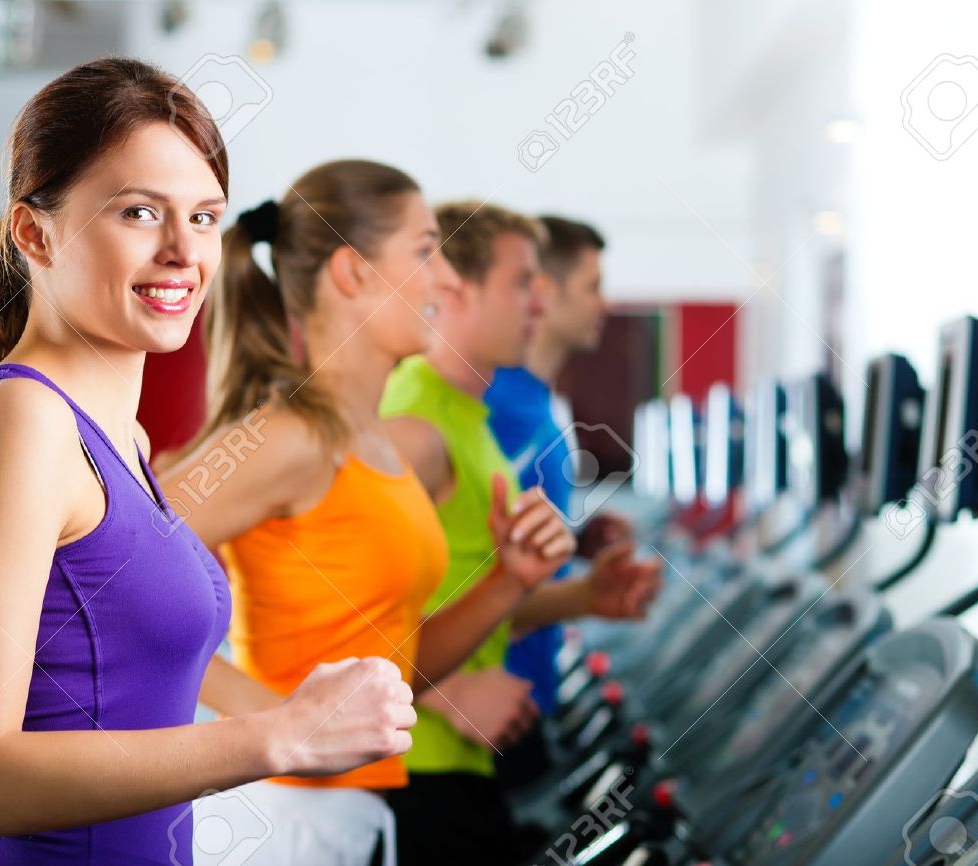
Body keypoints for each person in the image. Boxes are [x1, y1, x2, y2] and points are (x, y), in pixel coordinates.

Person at [0, 57, 415, 866]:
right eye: (138, 212)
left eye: (203, 218)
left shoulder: (116, 441)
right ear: (34, 230)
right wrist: (277, 738)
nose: (182, 252)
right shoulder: (21, 421)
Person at [150, 159, 576, 866]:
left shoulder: (373, 444)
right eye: (426, 250)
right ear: (351, 273)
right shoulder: (292, 437)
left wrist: (511, 581)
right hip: (281, 820)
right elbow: (101, 576)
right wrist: (278, 720)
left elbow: (394, 667)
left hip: (354, 816)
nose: (445, 278)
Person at [378, 202, 659, 865]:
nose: (538, 301)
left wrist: (586, 595)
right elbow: (328, 602)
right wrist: (444, 694)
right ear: (453, 286)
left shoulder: (467, 418)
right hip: (416, 762)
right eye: (520, 282)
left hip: (459, 763)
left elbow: (479, 592)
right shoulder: (413, 420)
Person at [485, 215, 662, 721]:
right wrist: (587, 596)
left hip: (527, 694)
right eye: (593, 287)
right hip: (490, 704)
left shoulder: (542, 407)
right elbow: (466, 586)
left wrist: (576, 539)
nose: (604, 304)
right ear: (546, 291)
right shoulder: (500, 409)